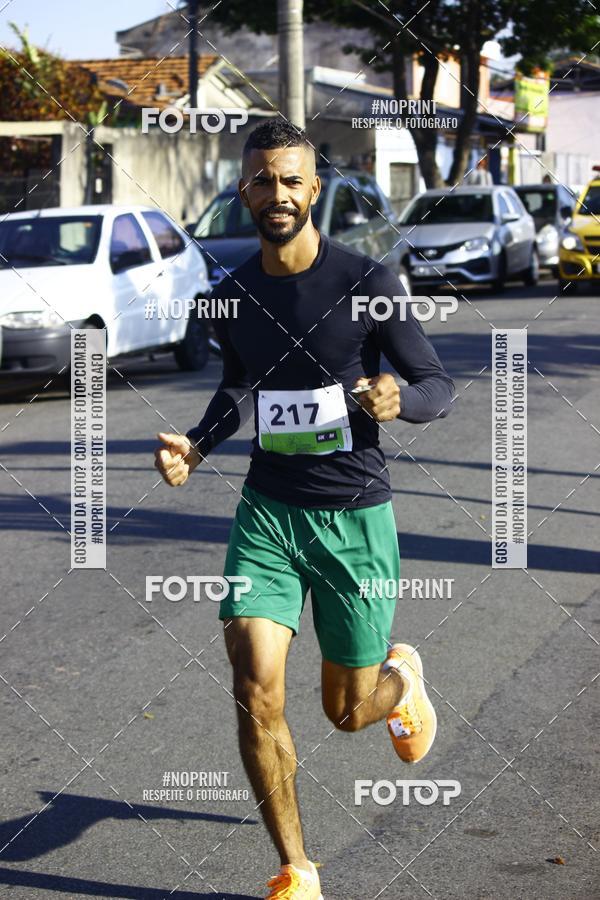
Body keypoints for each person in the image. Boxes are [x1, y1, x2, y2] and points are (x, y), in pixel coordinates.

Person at [154, 119, 454, 899]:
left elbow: (437, 384)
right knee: (255, 688)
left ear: (314, 189)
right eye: (263, 180)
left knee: (347, 713)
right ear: (243, 190)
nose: (277, 193)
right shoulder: (232, 294)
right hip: (268, 512)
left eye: (291, 180)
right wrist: (196, 446)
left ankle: (401, 680)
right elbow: (238, 387)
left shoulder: (369, 281)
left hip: (354, 517)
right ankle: (298, 868)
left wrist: (399, 398)